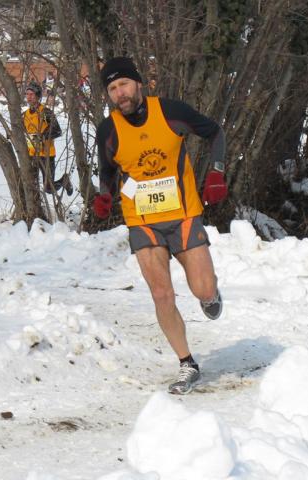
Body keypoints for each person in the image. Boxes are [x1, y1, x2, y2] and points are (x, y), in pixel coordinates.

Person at [93, 57, 228, 395]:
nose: (119, 93)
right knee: (161, 294)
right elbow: (107, 170)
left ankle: (210, 293)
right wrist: (105, 195)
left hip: (182, 215)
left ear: (139, 84)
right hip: (142, 222)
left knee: (203, 289)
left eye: (123, 84)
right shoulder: (108, 129)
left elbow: (215, 132)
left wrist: (216, 172)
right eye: (112, 88)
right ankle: (187, 364)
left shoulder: (170, 112)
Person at [23, 82, 72, 195]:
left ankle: (64, 181)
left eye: (32, 94)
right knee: (31, 185)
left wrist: (42, 136)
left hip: (46, 155)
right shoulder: (25, 115)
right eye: (27, 94)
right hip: (31, 155)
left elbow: (57, 130)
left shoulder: (45, 112)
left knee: (48, 188)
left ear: (38, 96)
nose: (29, 97)